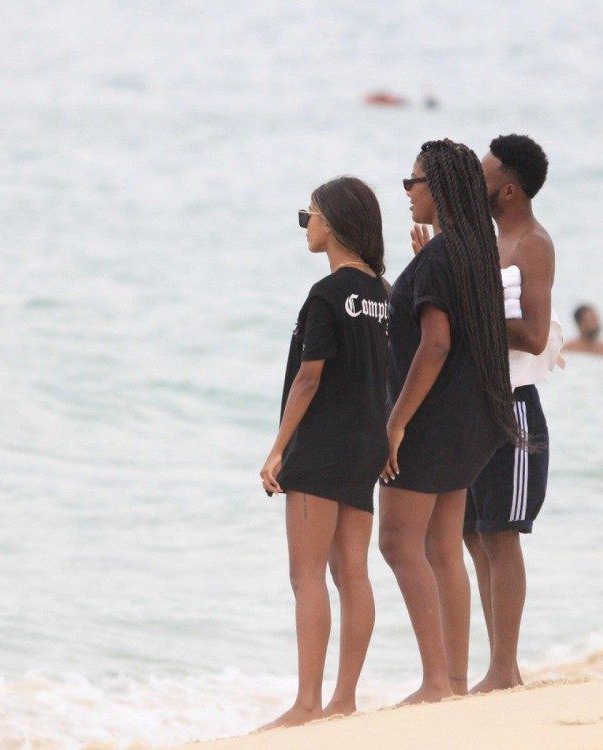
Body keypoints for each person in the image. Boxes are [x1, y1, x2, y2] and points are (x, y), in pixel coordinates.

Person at [381, 139, 517, 705]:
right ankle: (453, 683)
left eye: (412, 181)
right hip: (470, 421)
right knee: (442, 547)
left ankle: (437, 681)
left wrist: (395, 422)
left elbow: (434, 345)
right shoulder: (473, 250)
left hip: (431, 423)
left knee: (397, 543)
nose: (407, 191)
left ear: (436, 185)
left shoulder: (442, 257)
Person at [257, 176, 390, 729]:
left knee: (307, 575)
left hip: (321, 444)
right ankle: (344, 700)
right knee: (352, 571)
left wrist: (277, 449)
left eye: (306, 215)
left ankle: (307, 704)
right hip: (366, 445)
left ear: (330, 222)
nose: (305, 226)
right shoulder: (384, 295)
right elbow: (390, 374)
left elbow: (309, 379)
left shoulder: (327, 294)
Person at [462, 133, 560, 694]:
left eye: (483, 176)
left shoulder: (532, 243)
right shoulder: (490, 240)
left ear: (508, 188)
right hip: (476, 406)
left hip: (514, 410)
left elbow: (535, 332)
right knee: (474, 535)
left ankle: (506, 669)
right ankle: (496, 666)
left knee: (502, 535)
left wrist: (468, 318)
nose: (475, 183)